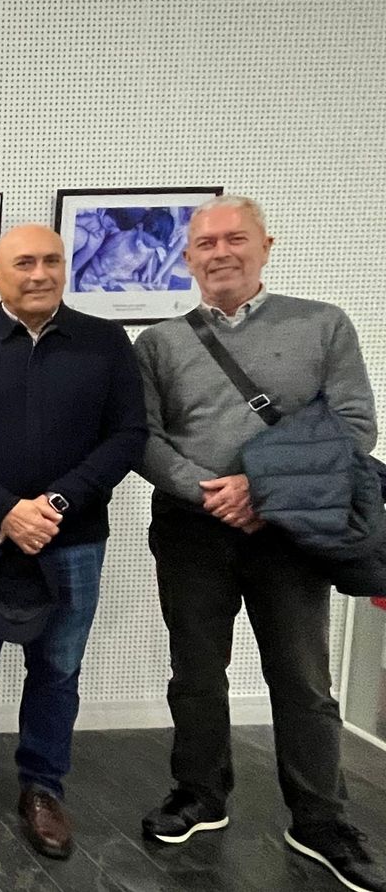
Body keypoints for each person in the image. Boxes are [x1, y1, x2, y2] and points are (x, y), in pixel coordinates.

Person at [134, 195, 385, 892]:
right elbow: (145, 440)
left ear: (266, 245)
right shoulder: (158, 342)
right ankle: (199, 794)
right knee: (196, 672)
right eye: (205, 243)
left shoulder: (323, 325)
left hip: (294, 528)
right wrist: (209, 491)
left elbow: (355, 424)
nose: (220, 252)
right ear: (187, 259)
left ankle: (319, 819)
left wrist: (257, 487)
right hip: (192, 527)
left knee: (302, 678)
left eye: (234, 239)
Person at [0, 224, 146, 860]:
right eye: (24, 262)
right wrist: (6, 510)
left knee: (58, 667)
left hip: (72, 537)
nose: (40, 272)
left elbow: (127, 436)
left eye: (52, 260)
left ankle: (43, 788)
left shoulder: (106, 342)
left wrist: (52, 505)